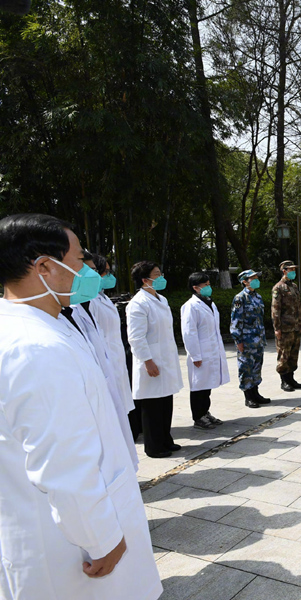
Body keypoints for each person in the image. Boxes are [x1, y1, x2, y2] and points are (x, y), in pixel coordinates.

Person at [0, 214, 162, 600]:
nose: (85, 271)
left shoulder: (44, 326)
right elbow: (63, 461)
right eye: (76, 262)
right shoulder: (36, 347)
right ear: (44, 268)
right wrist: (102, 538)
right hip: (72, 547)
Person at [70, 253, 138, 469]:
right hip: (101, 373)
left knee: (120, 424)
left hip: (114, 363)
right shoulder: (78, 306)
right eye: (104, 271)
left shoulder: (99, 298)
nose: (106, 276)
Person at [127, 261, 184, 458]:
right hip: (151, 361)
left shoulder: (161, 299)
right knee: (152, 405)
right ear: (145, 280)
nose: (161, 277)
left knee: (165, 400)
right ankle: (153, 446)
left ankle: (165, 439)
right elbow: (136, 337)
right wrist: (147, 360)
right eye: (157, 274)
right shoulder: (138, 303)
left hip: (165, 358)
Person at [180, 272, 230, 429]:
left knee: (207, 385)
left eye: (209, 284)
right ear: (195, 288)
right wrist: (195, 355)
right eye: (205, 285)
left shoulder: (210, 303)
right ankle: (198, 417)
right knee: (198, 386)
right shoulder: (190, 306)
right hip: (200, 353)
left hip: (212, 351)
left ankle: (205, 412)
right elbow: (189, 332)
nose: (209, 287)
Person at [230, 269, 270, 409]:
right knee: (246, 368)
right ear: (244, 282)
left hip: (258, 339)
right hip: (246, 340)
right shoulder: (240, 298)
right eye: (252, 278)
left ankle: (256, 393)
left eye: (256, 277)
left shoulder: (257, 297)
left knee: (256, 367)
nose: (256, 280)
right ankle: (248, 397)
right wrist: (238, 341)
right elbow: (236, 321)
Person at [272, 260, 301, 392]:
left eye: (294, 270)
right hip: (285, 328)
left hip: (295, 327)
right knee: (284, 354)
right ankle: (284, 380)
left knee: (293, 354)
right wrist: (277, 328)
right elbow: (275, 310)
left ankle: (291, 378)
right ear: (284, 271)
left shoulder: (294, 287)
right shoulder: (278, 288)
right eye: (290, 270)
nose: (293, 272)